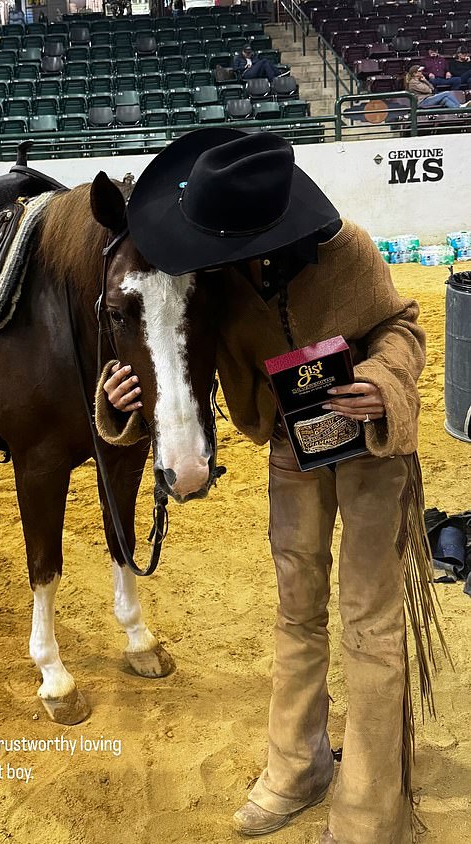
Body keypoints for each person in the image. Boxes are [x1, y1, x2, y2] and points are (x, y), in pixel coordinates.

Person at [98, 128, 443, 844]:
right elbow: (178, 368)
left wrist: (381, 384)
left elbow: (401, 327)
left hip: (373, 455)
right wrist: (122, 402)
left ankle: (373, 811)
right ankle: (298, 765)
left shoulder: (348, 250)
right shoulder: (218, 283)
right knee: (296, 610)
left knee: (372, 621)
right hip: (291, 449)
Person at [405, 64, 469, 108]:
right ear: (414, 73)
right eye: (419, 71)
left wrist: (425, 80)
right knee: (447, 93)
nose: (421, 72)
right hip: (422, 102)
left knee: (446, 99)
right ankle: (460, 106)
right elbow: (428, 90)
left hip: (429, 98)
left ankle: (459, 110)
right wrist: (429, 88)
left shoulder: (421, 80)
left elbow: (432, 88)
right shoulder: (413, 83)